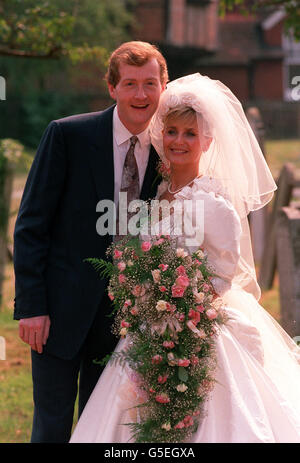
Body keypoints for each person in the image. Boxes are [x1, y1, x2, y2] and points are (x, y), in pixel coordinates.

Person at [69, 73, 300, 443]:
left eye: (190, 134)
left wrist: (182, 307)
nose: (178, 141)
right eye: (172, 131)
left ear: (207, 141)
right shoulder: (155, 195)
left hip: (199, 329)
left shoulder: (214, 205)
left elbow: (224, 275)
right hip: (148, 329)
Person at [13, 41, 168, 443]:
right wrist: (32, 307)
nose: (140, 94)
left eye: (150, 83)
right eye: (130, 84)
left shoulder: (173, 150)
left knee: (105, 432)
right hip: (58, 315)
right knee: (51, 428)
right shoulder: (67, 135)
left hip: (127, 321)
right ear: (112, 87)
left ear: (163, 86)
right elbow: (32, 225)